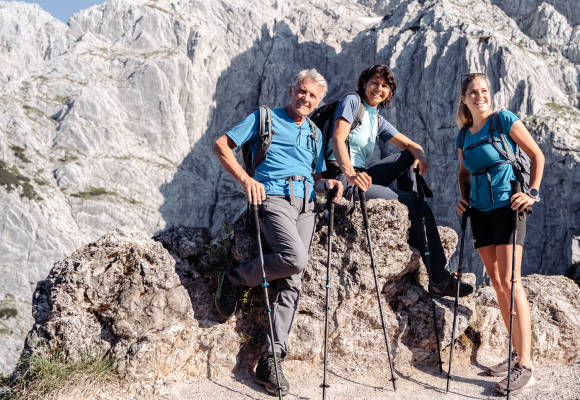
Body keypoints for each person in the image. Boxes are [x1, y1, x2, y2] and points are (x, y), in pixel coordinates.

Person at [212, 69, 343, 396]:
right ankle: (235, 278)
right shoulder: (264, 118)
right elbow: (221, 145)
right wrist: (247, 180)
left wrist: (327, 183)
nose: (306, 99)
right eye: (302, 92)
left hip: (307, 205)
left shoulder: (314, 132)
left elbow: (311, 174)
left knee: (293, 279)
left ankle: (271, 360)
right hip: (272, 198)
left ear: (318, 102)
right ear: (290, 91)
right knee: (294, 259)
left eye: (313, 96)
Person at [324, 64, 473, 297]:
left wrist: (419, 153)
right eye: (374, 82)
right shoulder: (352, 102)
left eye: (385, 86)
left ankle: (411, 212)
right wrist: (351, 173)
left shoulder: (376, 119)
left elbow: (410, 145)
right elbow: (337, 139)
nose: (378, 89)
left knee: (406, 157)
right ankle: (439, 279)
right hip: (343, 177)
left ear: (389, 93)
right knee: (420, 206)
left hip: (361, 174)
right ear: (364, 84)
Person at [455, 73, 544, 395]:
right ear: (464, 99)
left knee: (510, 280)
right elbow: (464, 172)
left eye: (484, 91)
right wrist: (463, 197)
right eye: (472, 93)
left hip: (509, 205)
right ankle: (514, 354)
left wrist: (532, 192)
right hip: (479, 211)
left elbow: (537, 156)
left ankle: (527, 364)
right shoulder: (464, 135)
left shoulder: (503, 120)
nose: (480, 96)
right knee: (495, 281)